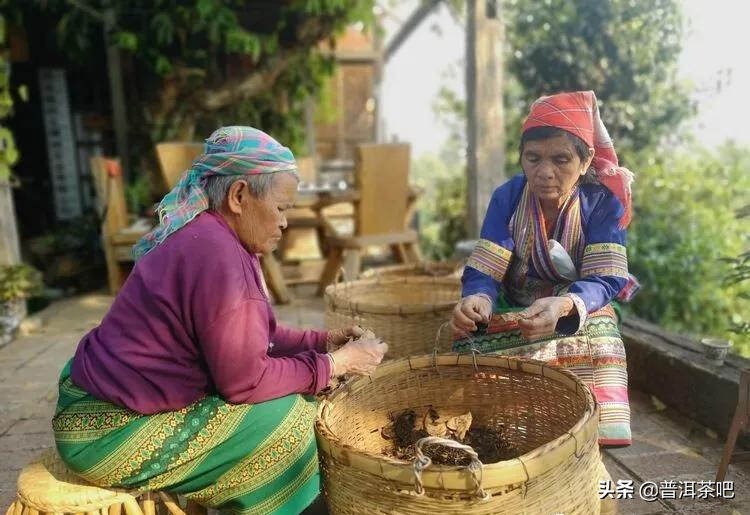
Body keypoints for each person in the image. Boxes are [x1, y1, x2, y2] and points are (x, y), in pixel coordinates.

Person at [52, 126, 388, 514]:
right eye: (280, 209)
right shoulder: (218, 256)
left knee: (301, 392)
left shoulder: (216, 237)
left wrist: (322, 342)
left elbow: (263, 337)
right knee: (291, 427)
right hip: (106, 430)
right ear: (239, 195)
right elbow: (244, 383)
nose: (284, 224)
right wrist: (336, 365)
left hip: (98, 399)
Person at [451, 91, 638, 446]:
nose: (545, 172)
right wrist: (478, 299)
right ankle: (502, 424)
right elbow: (486, 268)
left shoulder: (602, 203)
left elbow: (605, 278)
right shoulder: (507, 197)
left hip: (576, 308)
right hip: (516, 303)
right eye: (533, 158)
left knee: (603, 335)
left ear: (585, 163)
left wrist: (564, 305)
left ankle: (589, 427)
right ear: (521, 158)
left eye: (561, 159)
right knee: (466, 335)